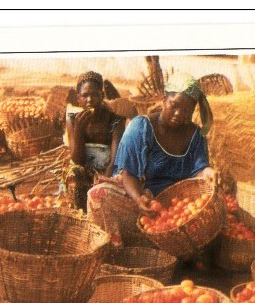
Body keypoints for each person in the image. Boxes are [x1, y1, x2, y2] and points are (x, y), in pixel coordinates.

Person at [87, 72, 217, 247]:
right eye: (174, 105)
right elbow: (128, 173)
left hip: (176, 206)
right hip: (142, 199)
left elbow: (199, 171)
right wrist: (139, 198)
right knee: (98, 195)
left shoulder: (195, 135)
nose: (179, 113)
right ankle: (112, 248)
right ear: (164, 99)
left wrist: (207, 171)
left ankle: (170, 241)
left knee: (219, 200)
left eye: (186, 110)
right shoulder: (141, 127)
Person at [62, 71, 126, 211]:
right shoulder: (73, 120)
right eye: (85, 95)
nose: (89, 100)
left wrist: (104, 181)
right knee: (75, 172)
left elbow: (115, 161)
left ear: (102, 96)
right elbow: (78, 160)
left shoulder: (115, 121)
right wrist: (78, 130)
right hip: (85, 171)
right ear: (78, 98)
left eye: (94, 94)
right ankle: (82, 214)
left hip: (109, 171)